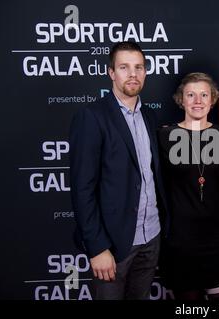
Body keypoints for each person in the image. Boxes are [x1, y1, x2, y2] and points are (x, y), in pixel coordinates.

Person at [69, 41, 167, 300]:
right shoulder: (92, 116)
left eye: (139, 67)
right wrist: (97, 247)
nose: (132, 74)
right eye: (124, 67)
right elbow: (82, 189)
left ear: (145, 72)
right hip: (113, 245)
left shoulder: (149, 116)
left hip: (151, 237)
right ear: (111, 73)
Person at [158, 72, 219, 300]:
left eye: (203, 95)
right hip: (181, 242)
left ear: (213, 99)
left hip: (217, 239)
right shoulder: (164, 136)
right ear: (181, 99)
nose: (198, 101)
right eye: (191, 95)